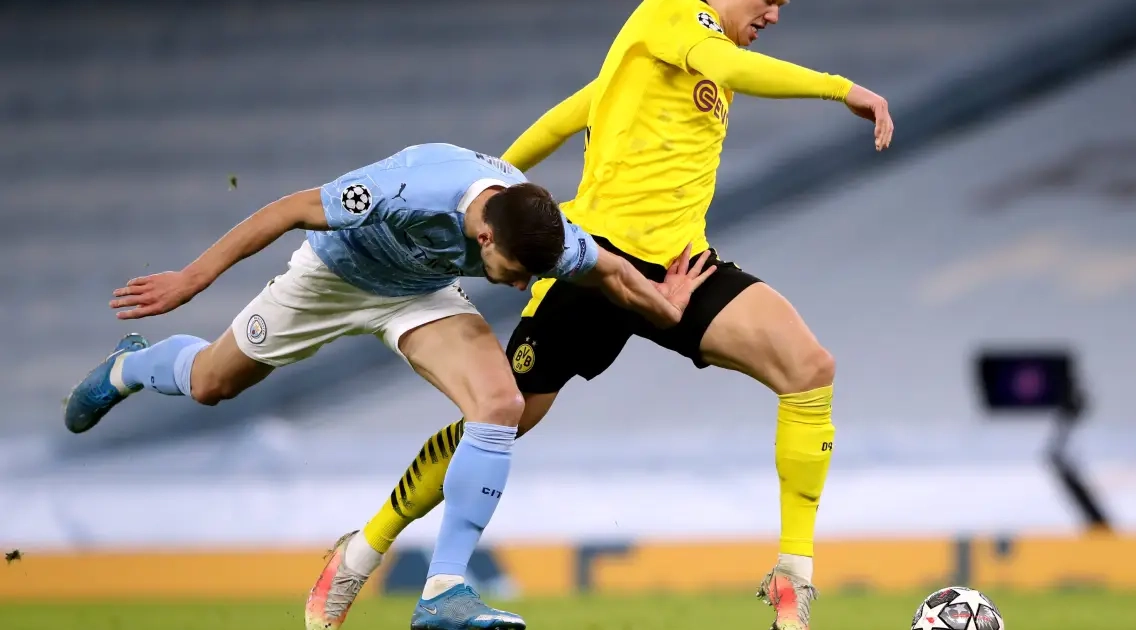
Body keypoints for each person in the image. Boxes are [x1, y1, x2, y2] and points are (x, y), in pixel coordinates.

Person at [307, 0, 896, 627]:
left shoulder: (673, 60)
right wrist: (843, 90)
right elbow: (692, 76)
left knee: (809, 368)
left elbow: (569, 116)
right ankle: (360, 552)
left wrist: (493, 187)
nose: (775, 15)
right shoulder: (675, 16)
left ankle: (792, 580)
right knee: (502, 418)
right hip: (594, 262)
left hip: (678, 271)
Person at [62, 142, 715, 630]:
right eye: (515, 271)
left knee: (500, 404)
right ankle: (130, 366)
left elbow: (614, 275)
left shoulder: (544, 234)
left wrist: (669, 307)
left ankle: (444, 590)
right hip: (333, 279)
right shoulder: (411, 189)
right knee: (209, 383)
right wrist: (192, 279)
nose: (521, 286)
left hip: (419, 294)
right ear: (484, 234)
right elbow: (292, 209)